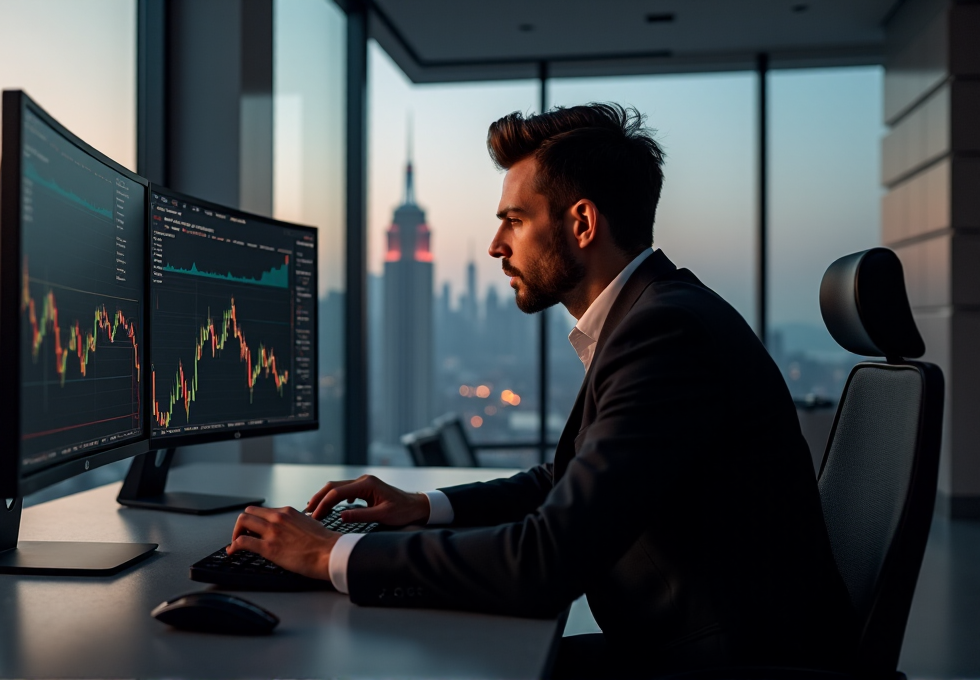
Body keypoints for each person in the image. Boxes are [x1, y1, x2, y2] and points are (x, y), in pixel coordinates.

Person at [226, 104, 858, 676]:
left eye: (515, 220)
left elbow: (545, 561)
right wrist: (423, 506)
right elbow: (569, 480)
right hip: (701, 644)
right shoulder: (657, 313)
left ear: (581, 222)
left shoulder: (665, 332)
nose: (496, 246)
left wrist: (333, 556)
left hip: (721, 663)